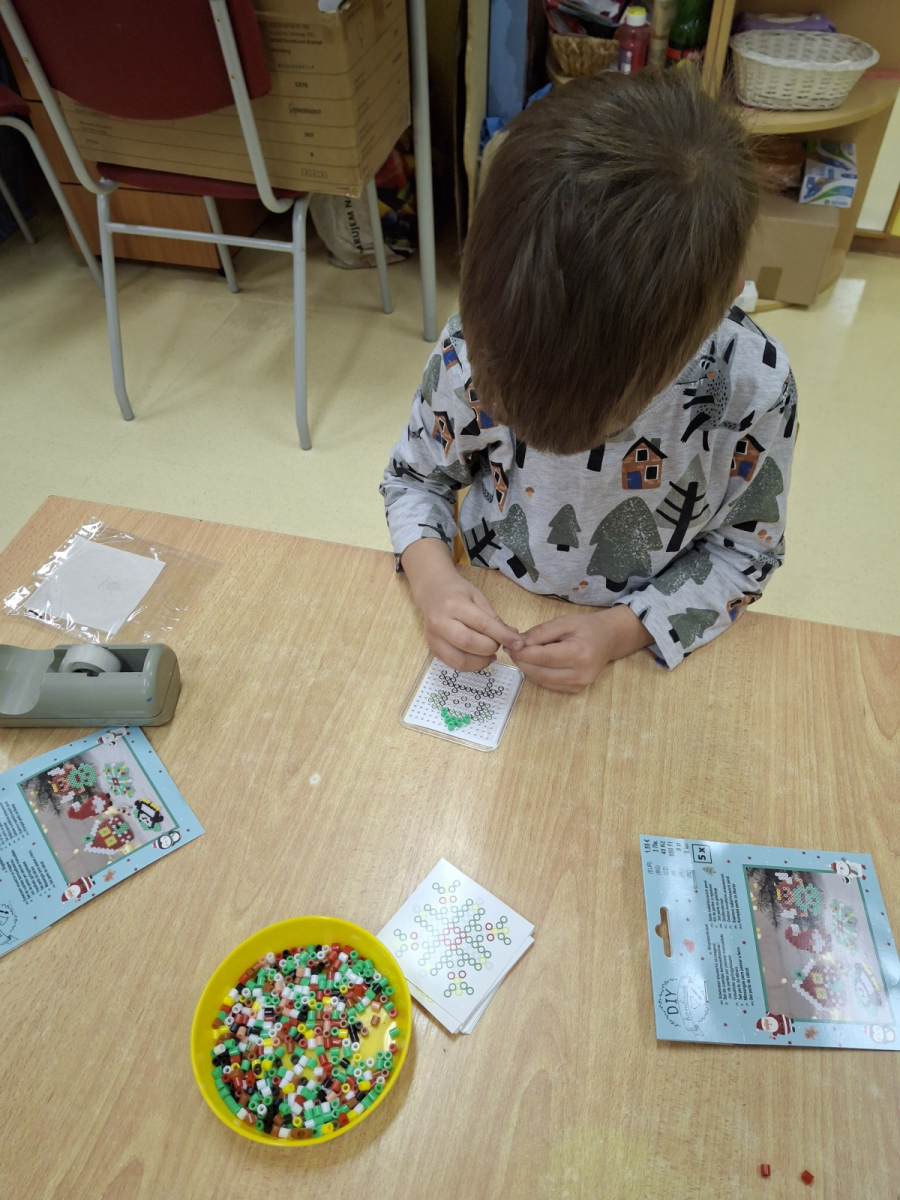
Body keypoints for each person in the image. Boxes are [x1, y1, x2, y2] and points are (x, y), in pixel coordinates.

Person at [381, 71, 796, 694]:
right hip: (494, 585)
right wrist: (435, 583)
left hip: (637, 639)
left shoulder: (754, 388)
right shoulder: (477, 343)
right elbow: (414, 479)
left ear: (727, 298)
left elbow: (746, 553)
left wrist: (619, 633)